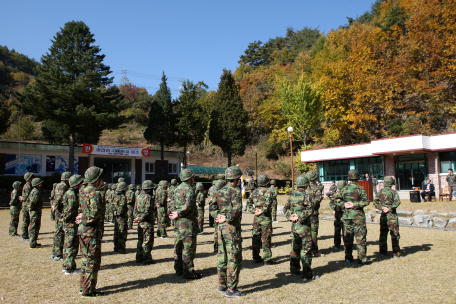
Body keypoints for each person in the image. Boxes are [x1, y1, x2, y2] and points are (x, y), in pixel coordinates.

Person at [211, 166, 243, 298]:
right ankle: (231, 289)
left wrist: (217, 216)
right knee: (233, 256)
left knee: (222, 255)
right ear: (236, 179)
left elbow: (212, 207)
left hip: (220, 227)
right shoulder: (235, 191)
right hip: (231, 228)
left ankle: (222, 284)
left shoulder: (219, 191)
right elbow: (237, 209)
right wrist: (227, 217)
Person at [76, 166, 105, 298]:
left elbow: (83, 209)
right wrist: (83, 216)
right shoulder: (95, 193)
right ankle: (88, 290)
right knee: (92, 261)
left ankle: (83, 286)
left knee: (85, 260)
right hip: (91, 231)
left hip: (83, 230)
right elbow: (93, 214)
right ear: (97, 179)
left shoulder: (82, 190)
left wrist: (82, 216)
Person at [283, 175, 318, 281]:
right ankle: (307, 274)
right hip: (304, 227)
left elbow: (285, 208)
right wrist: (300, 217)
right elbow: (310, 209)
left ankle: (294, 270)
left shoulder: (292, 195)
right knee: (306, 250)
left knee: (295, 248)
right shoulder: (307, 195)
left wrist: (291, 216)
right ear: (306, 184)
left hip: (294, 227)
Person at [169, 169, 202, 280]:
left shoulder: (177, 188)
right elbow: (188, 206)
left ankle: (178, 269)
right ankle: (188, 272)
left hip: (178, 222)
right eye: (193, 177)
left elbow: (172, 203)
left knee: (178, 246)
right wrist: (179, 212)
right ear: (189, 178)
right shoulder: (189, 189)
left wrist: (175, 213)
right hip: (187, 222)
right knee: (188, 248)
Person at [335, 170, 370, 266]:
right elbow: (366, 201)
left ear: (349, 178)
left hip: (346, 217)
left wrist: (344, 204)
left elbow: (335, 200)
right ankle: (362, 260)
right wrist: (355, 204)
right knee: (360, 239)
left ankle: (348, 258)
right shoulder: (360, 189)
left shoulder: (343, 189)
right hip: (358, 217)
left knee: (348, 238)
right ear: (358, 178)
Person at [246, 174, 274, 265]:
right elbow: (268, 203)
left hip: (256, 218)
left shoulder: (254, 192)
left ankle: (256, 257)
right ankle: (267, 259)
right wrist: (262, 211)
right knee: (266, 238)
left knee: (256, 237)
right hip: (265, 217)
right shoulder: (268, 191)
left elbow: (248, 205)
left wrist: (254, 210)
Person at [374, 176, 402, 258]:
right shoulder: (394, 192)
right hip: (392, 215)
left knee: (383, 234)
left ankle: (383, 252)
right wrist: (389, 208)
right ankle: (396, 253)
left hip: (383, 215)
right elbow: (397, 202)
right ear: (391, 183)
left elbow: (375, 202)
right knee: (394, 234)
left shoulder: (380, 192)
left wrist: (382, 208)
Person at [62, 175, 84, 275]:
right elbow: (71, 210)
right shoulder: (72, 195)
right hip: (71, 224)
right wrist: (67, 218)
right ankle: (70, 268)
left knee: (67, 245)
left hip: (69, 223)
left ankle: (66, 265)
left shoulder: (69, 193)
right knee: (71, 246)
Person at [134, 180, 156, 265]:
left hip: (140, 223)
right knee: (147, 241)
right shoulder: (149, 198)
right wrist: (141, 218)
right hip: (147, 222)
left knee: (140, 240)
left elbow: (135, 209)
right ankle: (146, 259)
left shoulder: (138, 196)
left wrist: (137, 218)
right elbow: (148, 211)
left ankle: (139, 257)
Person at [52, 171, 72, 261]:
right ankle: (58, 253)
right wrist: (55, 206)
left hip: (58, 210)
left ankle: (55, 251)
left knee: (58, 231)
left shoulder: (58, 185)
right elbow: (59, 197)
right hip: (60, 211)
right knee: (60, 231)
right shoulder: (63, 186)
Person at [305, 171, 324, 257]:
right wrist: (311, 205)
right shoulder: (317, 189)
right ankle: (314, 251)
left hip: (304, 214)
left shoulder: (303, 188)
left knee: (304, 232)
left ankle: (305, 250)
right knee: (313, 232)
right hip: (313, 213)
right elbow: (319, 199)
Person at [210, 180, 226, 253]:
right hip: (223, 218)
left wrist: (216, 215)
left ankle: (216, 248)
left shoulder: (215, 194)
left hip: (218, 217)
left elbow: (212, 209)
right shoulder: (227, 194)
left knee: (216, 232)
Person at [329, 180, 346, 249]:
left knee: (339, 230)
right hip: (341, 215)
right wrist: (335, 208)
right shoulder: (336, 194)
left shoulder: (346, 194)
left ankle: (338, 245)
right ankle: (339, 244)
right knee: (341, 230)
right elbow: (331, 204)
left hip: (343, 214)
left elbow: (331, 204)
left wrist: (335, 208)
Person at [28, 178, 44, 249]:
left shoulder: (33, 191)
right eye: (40, 183)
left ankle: (34, 242)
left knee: (35, 226)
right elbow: (33, 201)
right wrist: (31, 207)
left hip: (35, 211)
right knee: (34, 227)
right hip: (35, 212)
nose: (41, 184)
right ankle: (32, 243)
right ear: (37, 184)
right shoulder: (36, 192)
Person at [113, 182, 128, 254]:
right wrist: (119, 214)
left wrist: (115, 213)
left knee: (116, 232)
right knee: (122, 233)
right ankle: (121, 249)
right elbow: (122, 208)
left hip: (116, 217)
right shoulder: (123, 197)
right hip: (121, 218)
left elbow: (112, 206)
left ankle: (116, 248)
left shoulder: (115, 196)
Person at [20, 172, 34, 241]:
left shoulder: (28, 185)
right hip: (26, 206)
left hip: (26, 205)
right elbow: (28, 197)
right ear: (29, 179)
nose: (33, 178)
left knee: (27, 220)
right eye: (32, 177)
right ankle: (24, 236)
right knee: (26, 221)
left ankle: (25, 235)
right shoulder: (28, 186)